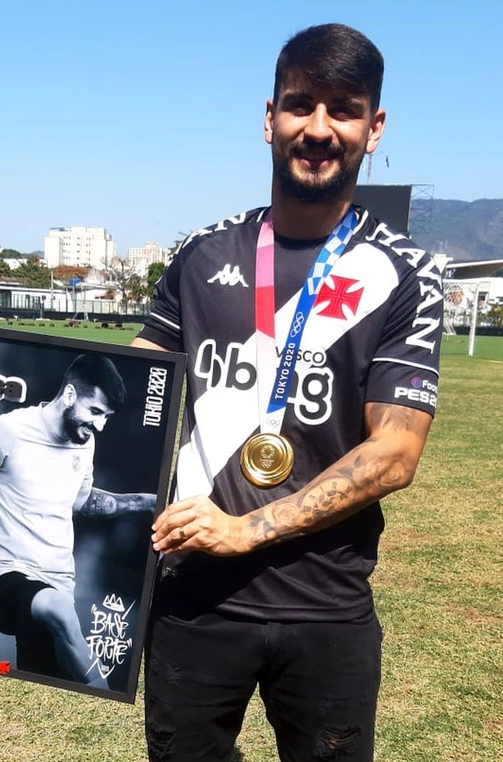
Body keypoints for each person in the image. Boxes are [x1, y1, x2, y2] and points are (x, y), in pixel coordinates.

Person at [131, 23, 442, 762]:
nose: (319, 128)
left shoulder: (402, 273)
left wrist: (246, 529)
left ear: (374, 127)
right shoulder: (202, 255)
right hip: (193, 597)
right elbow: (128, 396)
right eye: (301, 104)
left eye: (344, 108)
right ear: (269, 117)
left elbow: (396, 452)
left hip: (325, 608)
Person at [0, 353, 155, 687]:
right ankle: (109, 697)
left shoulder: (84, 442)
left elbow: (83, 501)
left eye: (106, 417)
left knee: (48, 684)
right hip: (5, 579)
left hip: (58, 585)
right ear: (70, 395)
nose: (99, 425)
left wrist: (143, 502)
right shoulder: (8, 432)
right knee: (59, 613)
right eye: (95, 412)